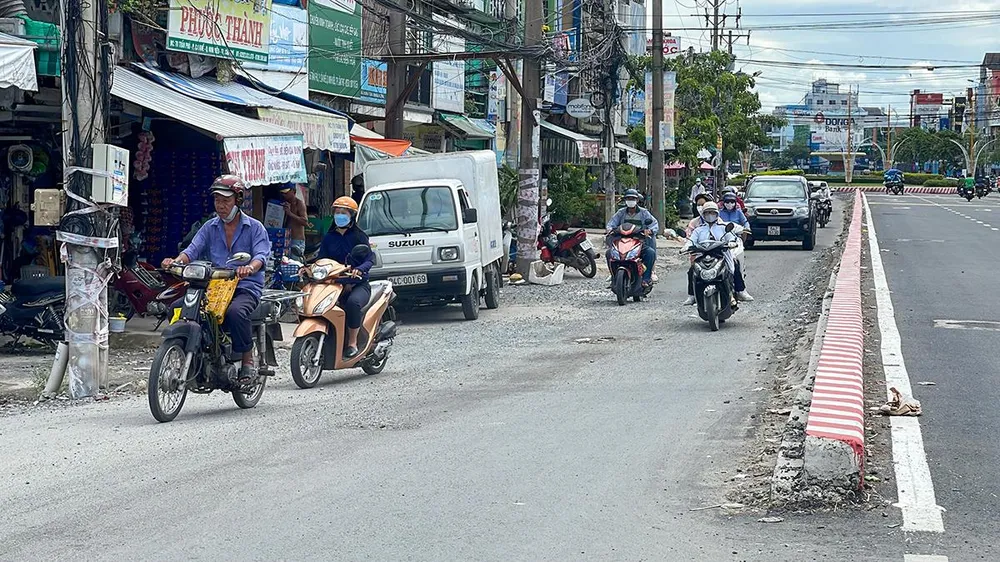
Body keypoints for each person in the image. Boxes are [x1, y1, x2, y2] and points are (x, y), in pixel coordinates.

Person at [161, 175, 271, 384]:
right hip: (214, 286)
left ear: (238, 200)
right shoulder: (209, 227)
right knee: (176, 308)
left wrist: (249, 267)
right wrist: (176, 262)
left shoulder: (255, 227)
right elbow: (192, 250)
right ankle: (196, 351)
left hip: (245, 286)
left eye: (226, 200)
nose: (220, 205)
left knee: (235, 312)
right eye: (217, 200)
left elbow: (261, 256)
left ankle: (247, 359)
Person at [313, 196, 375, 359]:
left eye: (343, 213)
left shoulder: (359, 236)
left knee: (352, 304)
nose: (339, 216)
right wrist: (308, 268)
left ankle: (352, 343)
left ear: (351, 216)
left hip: (357, 284)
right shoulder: (329, 237)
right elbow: (321, 259)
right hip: (334, 284)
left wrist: (359, 270)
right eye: (337, 212)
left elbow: (370, 259)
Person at [683, 202, 753, 305]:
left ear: (717, 214)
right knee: (692, 270)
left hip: (721, 254)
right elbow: (691, 241)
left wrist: (732, 242)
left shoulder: (723, 227)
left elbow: (730, 237)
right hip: (703, 255)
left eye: (712, 212)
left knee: (734, 265)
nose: (710, 215)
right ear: (703, 214)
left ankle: (740, 291)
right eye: (707, 213)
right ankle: (692, 295)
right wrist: (686, 247)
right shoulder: (699, 230)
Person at [606, 189, 658, 286]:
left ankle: (647, 278)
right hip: (622, 241)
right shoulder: (620, 212)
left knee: (650, 253)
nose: (630, 200)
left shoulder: (644, 213)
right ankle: (613, 276)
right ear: (625, 200)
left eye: (633, 198)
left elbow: (654, 224)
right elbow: (611, 224)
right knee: (609, 253)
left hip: (639, 242)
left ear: (637, 200)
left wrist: (649, 230)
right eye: (628, 198)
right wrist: (609, 230)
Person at [280, 183, 309, 257]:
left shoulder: (299, 204)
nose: (284, 195)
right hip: (284, 239)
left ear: (293, 191)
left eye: (286, 193)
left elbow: (305, 222)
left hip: (296, 240)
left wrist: (290, 214)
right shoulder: (283, 203)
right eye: (282, 193)